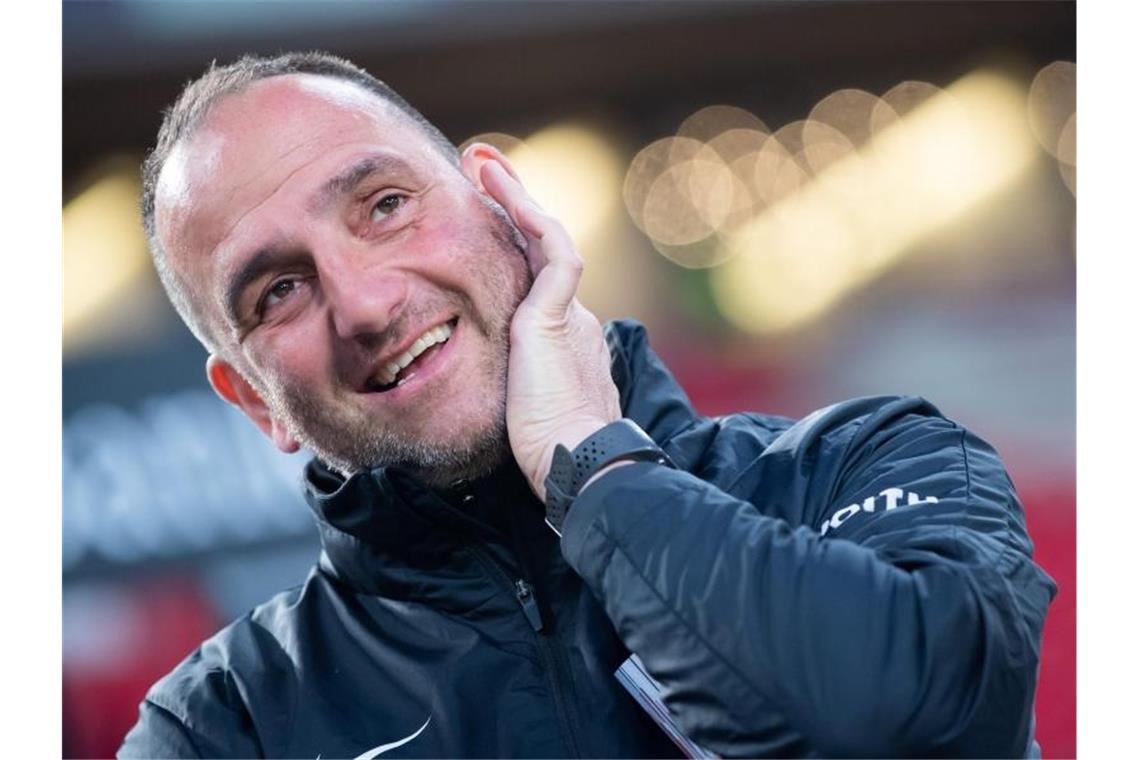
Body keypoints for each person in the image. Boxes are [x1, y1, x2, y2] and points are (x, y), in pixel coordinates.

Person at [118, 51, 1056, 759]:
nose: (363, 303)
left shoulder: (865, 460)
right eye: (276, 291)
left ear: (505, 202)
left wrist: (592, 464)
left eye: (385, 204)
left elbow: (933, 715)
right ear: (255, 404)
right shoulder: (222, 722)